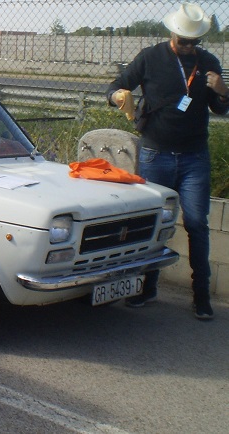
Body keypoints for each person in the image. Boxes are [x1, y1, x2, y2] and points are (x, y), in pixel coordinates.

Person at [108, 2, 228, 320]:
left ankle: (201, 297)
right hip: (155, 154)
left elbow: (221, 109)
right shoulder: (150, 57)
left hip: (194, 158)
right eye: (183, 41)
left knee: (197, 224)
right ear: (172, 33)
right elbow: (115, 86)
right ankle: (147, 289)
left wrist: (222, 90)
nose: (188, 47)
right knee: (154, 223)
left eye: (194, 42)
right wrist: (118, 97)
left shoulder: (208, 62)